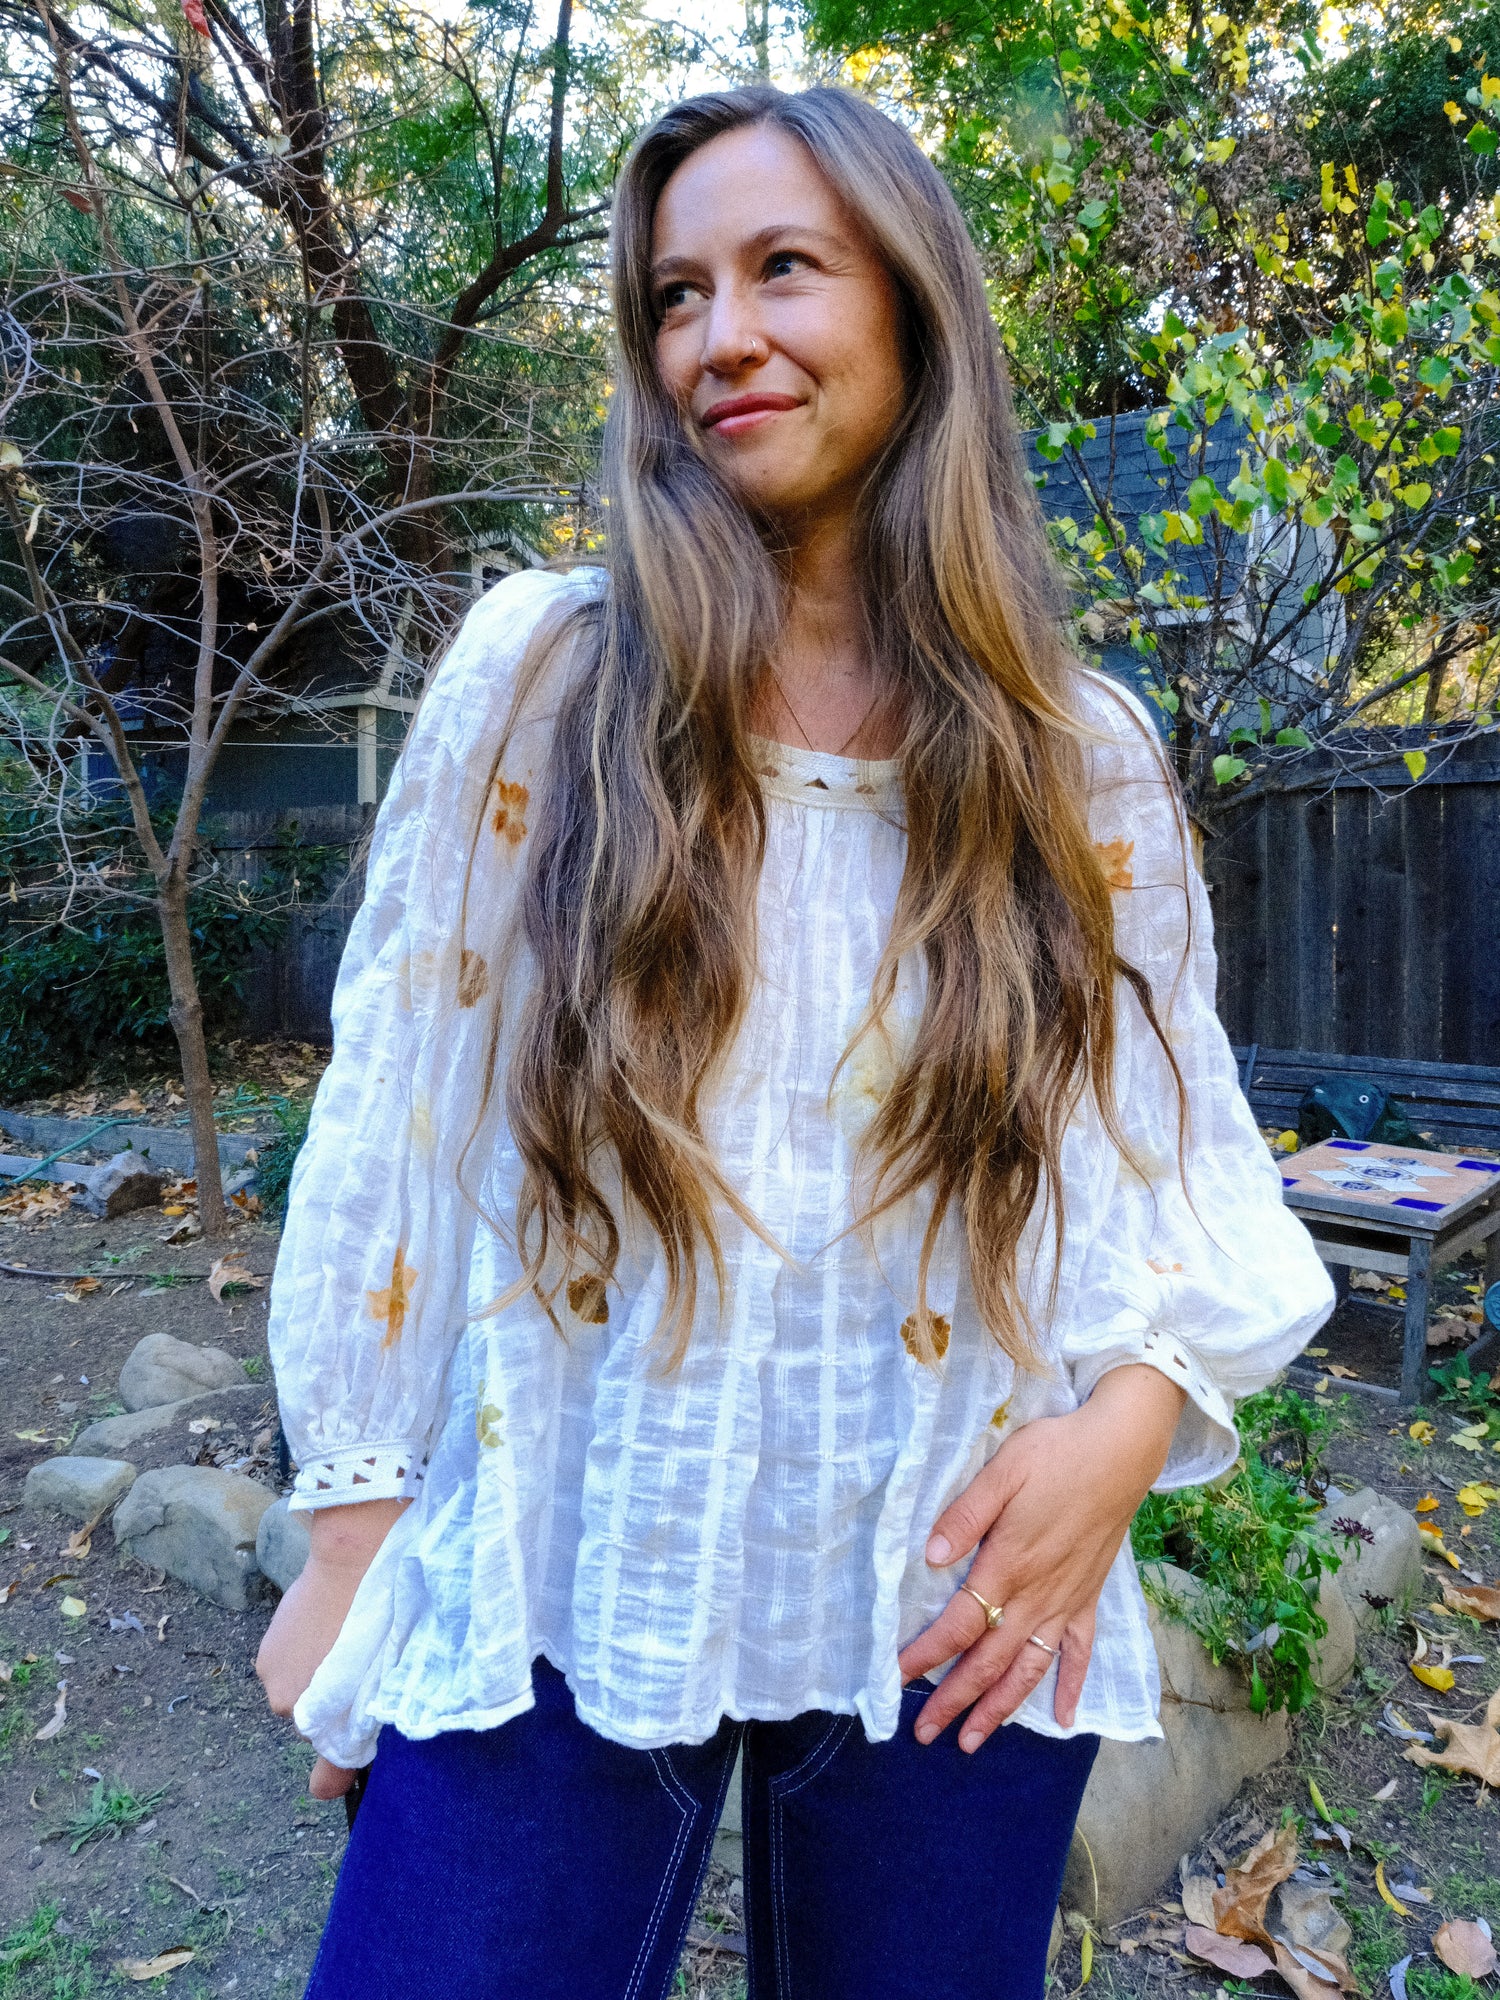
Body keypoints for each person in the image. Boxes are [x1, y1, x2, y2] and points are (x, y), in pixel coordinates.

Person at [256, 84, 1334, 2000]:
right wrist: (354, 1526)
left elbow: (1169, 1150)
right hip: (575, 1551)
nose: (720, 336)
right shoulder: (549, 678)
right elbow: (397, 1110)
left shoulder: (1073, 750)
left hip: (957, 1579)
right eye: (676, 294)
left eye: (783, 269)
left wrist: (1128, 1429)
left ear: (913, 309)